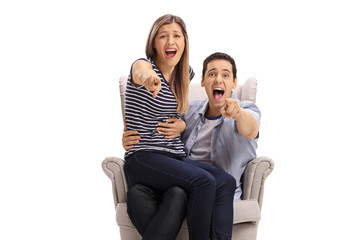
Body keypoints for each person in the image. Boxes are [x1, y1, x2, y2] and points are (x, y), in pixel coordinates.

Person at [123, 52, 261, 239]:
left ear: (234, 82)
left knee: (207, 184)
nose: (218, 79)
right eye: (212, 74)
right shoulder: (190, 110)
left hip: (214, 188)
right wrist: (132, 136)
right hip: (183, 183)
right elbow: (162, 134)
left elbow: (251, 129)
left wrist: (239, 115)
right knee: (136, 195)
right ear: (203, 80)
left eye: (225, 75)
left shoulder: (246, 110)